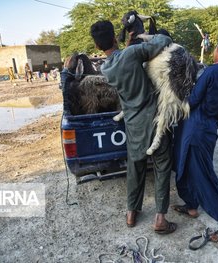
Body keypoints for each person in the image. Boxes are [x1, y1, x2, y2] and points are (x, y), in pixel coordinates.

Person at [90, 20, 177, 234]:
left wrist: (128, 46)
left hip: (133, 123)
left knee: (135, 167)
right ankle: (160, 219)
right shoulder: (131, 54)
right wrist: (145, 37)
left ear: (98, 46)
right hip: (155, 121)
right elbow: (165, 41)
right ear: (114, 37)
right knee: (162, 166)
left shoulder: (106, 68)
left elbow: (121, 61)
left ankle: (131, 213)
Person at [173, 33, 218, 242]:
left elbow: (192, 101)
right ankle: (192, 205)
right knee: (185, 167)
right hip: (209, 129)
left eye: (214, 48)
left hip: (195, 129)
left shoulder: (210, 72)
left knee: (203, 177)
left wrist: (174, 99)